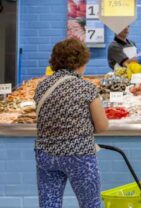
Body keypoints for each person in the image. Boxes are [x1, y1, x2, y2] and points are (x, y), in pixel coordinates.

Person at [35, 38, 109, 208]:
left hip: (46, 154)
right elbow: (102, 126)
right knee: (90, 204)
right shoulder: (86, 88)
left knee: (49, 204)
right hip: (79, 155)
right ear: (81, 62)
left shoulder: (41, 86)